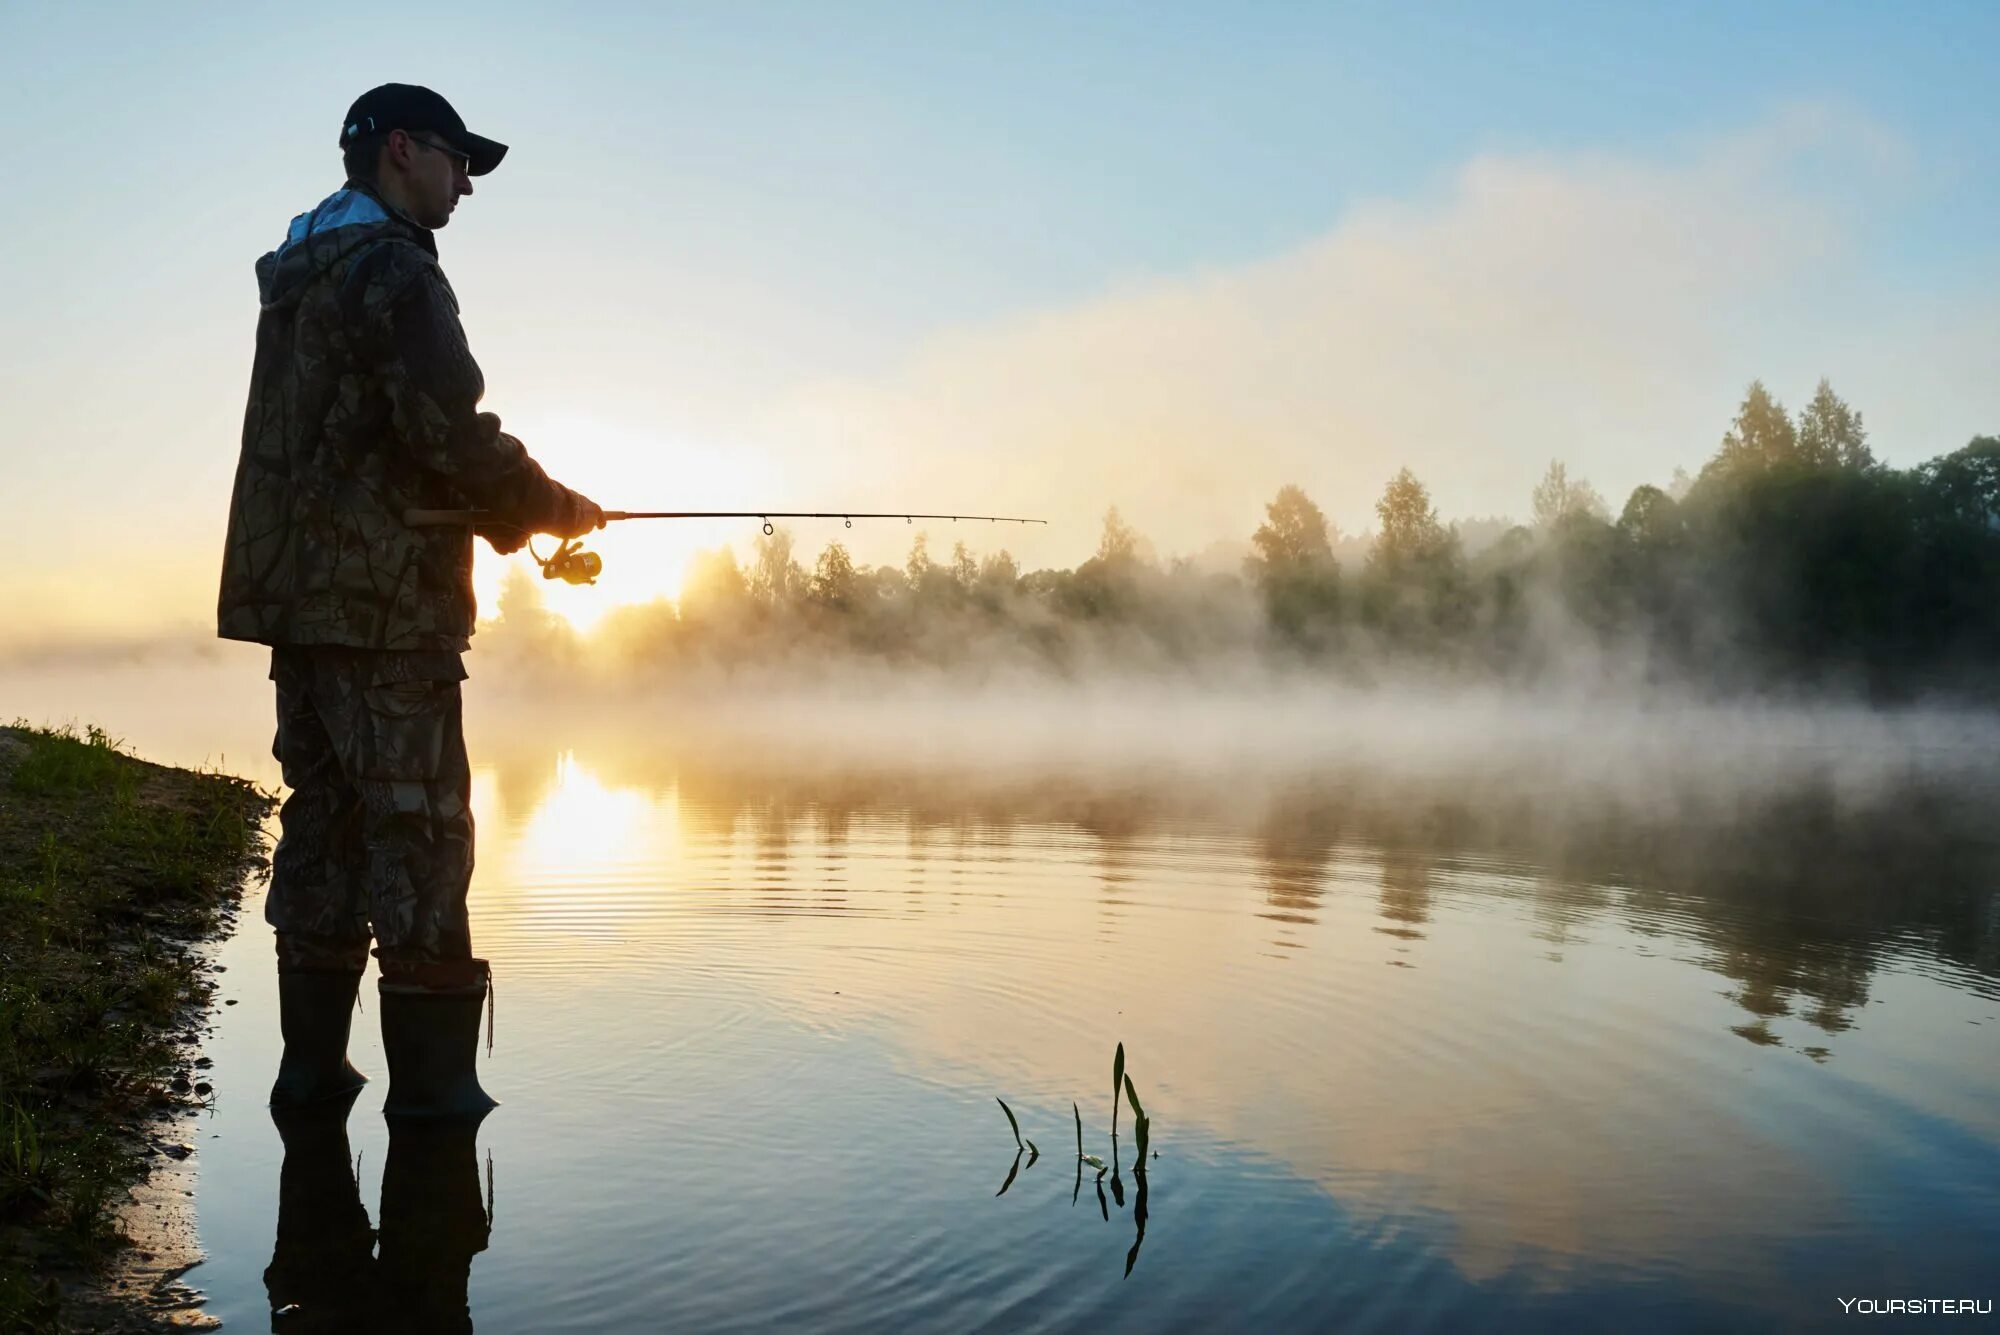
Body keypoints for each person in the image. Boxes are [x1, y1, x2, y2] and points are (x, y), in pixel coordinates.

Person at [218, 83, 600, 1116]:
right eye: (454, 158)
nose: (467, 181)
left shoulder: (302, 273)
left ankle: (310, 1075)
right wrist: (553, 506)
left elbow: (367, 445)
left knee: (327, 822)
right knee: (421, 832)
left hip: (299, 600)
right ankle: (434, 1107)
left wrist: (512, 516)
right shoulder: (393, 269)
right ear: (400, 150)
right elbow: (446, 434)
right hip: (388, 610)